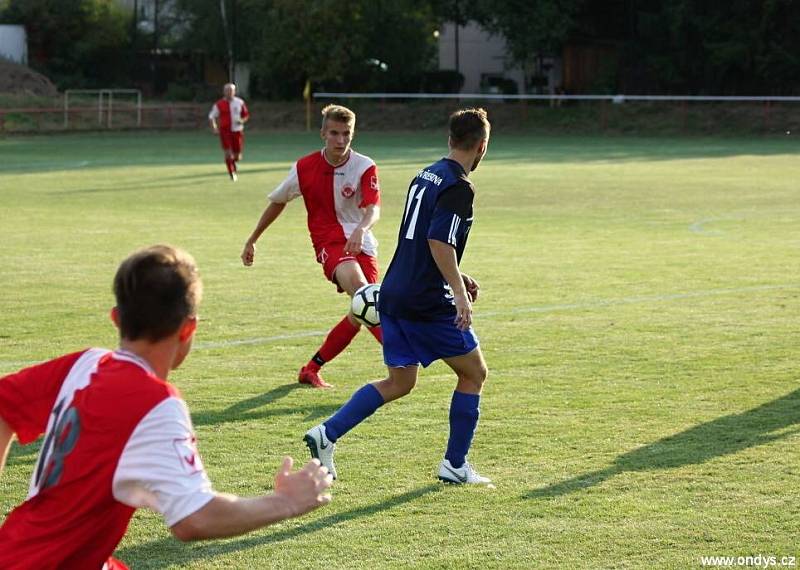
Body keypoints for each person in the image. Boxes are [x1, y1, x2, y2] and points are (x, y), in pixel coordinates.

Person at [0, 245, 332, 569]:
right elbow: (194, 518)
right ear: (189, 328)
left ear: (116, 319)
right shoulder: (156, 403)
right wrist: (286, 501)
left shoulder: (83, 365)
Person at [303, 108, 492, 484]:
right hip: (426, 301)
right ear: (482, 147)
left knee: (400, 382)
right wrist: (458, 292)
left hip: (394, 292)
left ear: (450, 140)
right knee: (474, 373)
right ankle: (455, 465)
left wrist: (457, 273)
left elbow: (420, 239)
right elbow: (438, 240)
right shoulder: (459, 186)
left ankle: (327, 433)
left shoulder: (426, 174)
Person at [241, 104, 383, 389]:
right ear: (323, 133)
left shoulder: (364, 165)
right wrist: (253, 238)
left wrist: (361, 229)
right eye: (334, 133)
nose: (340, 140)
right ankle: (405, 353)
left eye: (346, 134)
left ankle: (311, 368)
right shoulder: (304, 167)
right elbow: (278, 201)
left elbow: (373, 208)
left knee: (362, 311)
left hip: (362, 243)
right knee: (366, 298)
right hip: (329, 243)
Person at [209, 83, 249, 181]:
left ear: (234, 92)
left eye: (231, 90)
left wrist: (242, 120)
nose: (229, 93)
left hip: (237, 131)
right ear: (224, 92)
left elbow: (246, 115)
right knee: (227, 153)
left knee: (237, 156)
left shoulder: (240, 102)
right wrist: (214, 127)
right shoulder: (219, 104)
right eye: (227, 90)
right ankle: (231, 173)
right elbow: (211, 117)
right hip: (225, 132)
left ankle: (233, 162)